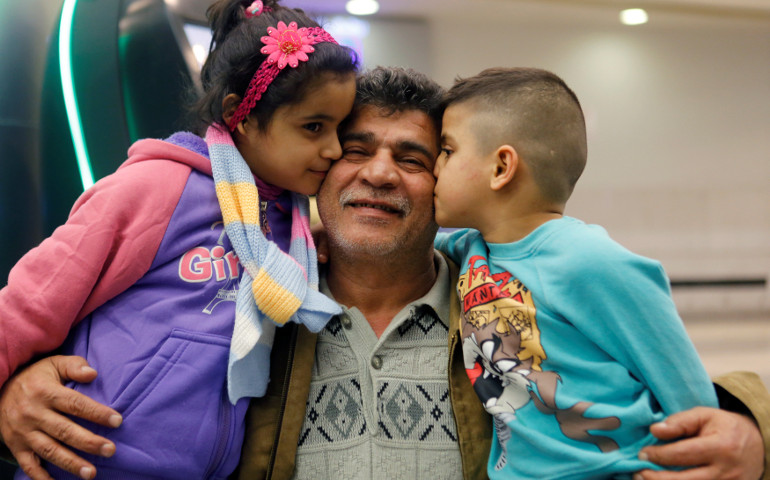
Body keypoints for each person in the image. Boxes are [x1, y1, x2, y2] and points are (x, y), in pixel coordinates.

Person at [1, 67, 768, 480]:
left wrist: (754, 432)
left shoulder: (500, 293)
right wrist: (15, 387)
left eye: (414, 157)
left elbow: (662, 378)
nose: (380, 175)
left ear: (458, 182)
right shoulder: (258, 302)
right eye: (354, 150)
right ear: (317, 173)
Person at [0, 0, 358, 478]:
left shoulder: (288, 223)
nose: (333, 150)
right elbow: (30, 304)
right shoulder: (157, 188)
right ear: (242, 116)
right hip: (86, 462)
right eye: (313, 127)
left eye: (340, 129)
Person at [431, 66, 738, 478]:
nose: (434, 166)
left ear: (501, 167)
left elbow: (690, 398)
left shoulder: (591, 262)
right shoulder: (470, 249)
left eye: (448, 150)